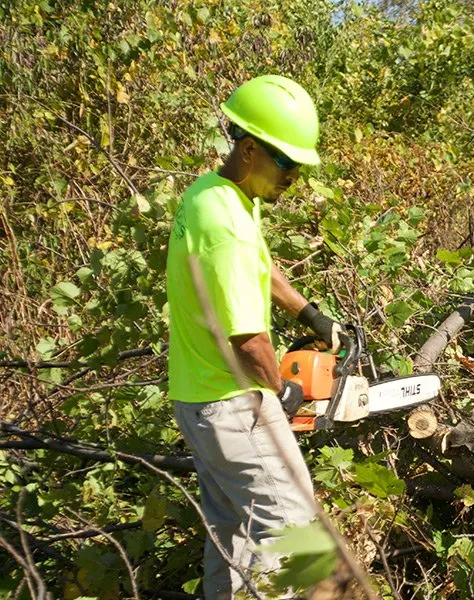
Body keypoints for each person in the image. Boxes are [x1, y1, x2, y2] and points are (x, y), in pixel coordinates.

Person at [166, 75, 342, 599]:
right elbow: (248, 344)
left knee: (232, 532)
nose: (293, 176)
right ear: (248, 149)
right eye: (285, 163)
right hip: (232, 403)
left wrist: (311, 315)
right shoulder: (227, 226)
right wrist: (282, 391)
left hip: (198, 398)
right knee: (294, 530)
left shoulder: (217, 194)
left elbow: (263, 268)